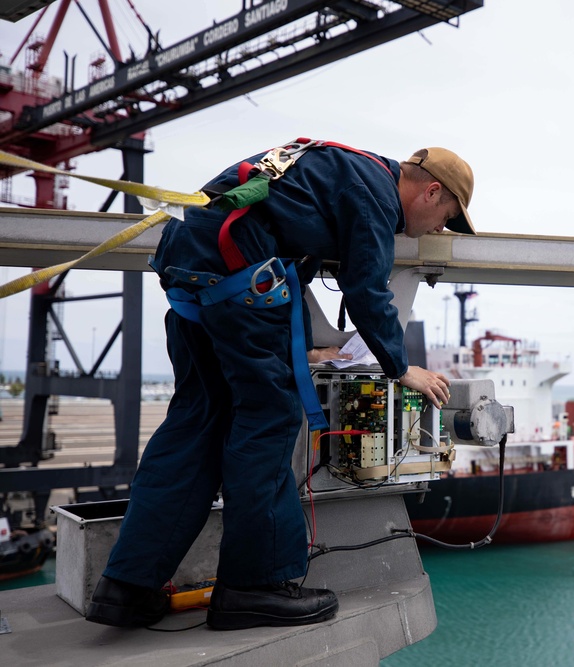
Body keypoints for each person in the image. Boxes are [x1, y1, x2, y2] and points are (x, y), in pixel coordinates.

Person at [85, 141, 476, 630]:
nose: (441, 230)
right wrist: (401, 367)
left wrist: (307, 350)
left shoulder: (337, 164)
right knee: (268, 421)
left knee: (197, 421)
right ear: (431, 191)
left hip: (192, 271)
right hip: (239, 280)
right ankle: (255, 586)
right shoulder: (374, 192)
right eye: (447, 217)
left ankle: (127, 587)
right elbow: (366, 289)